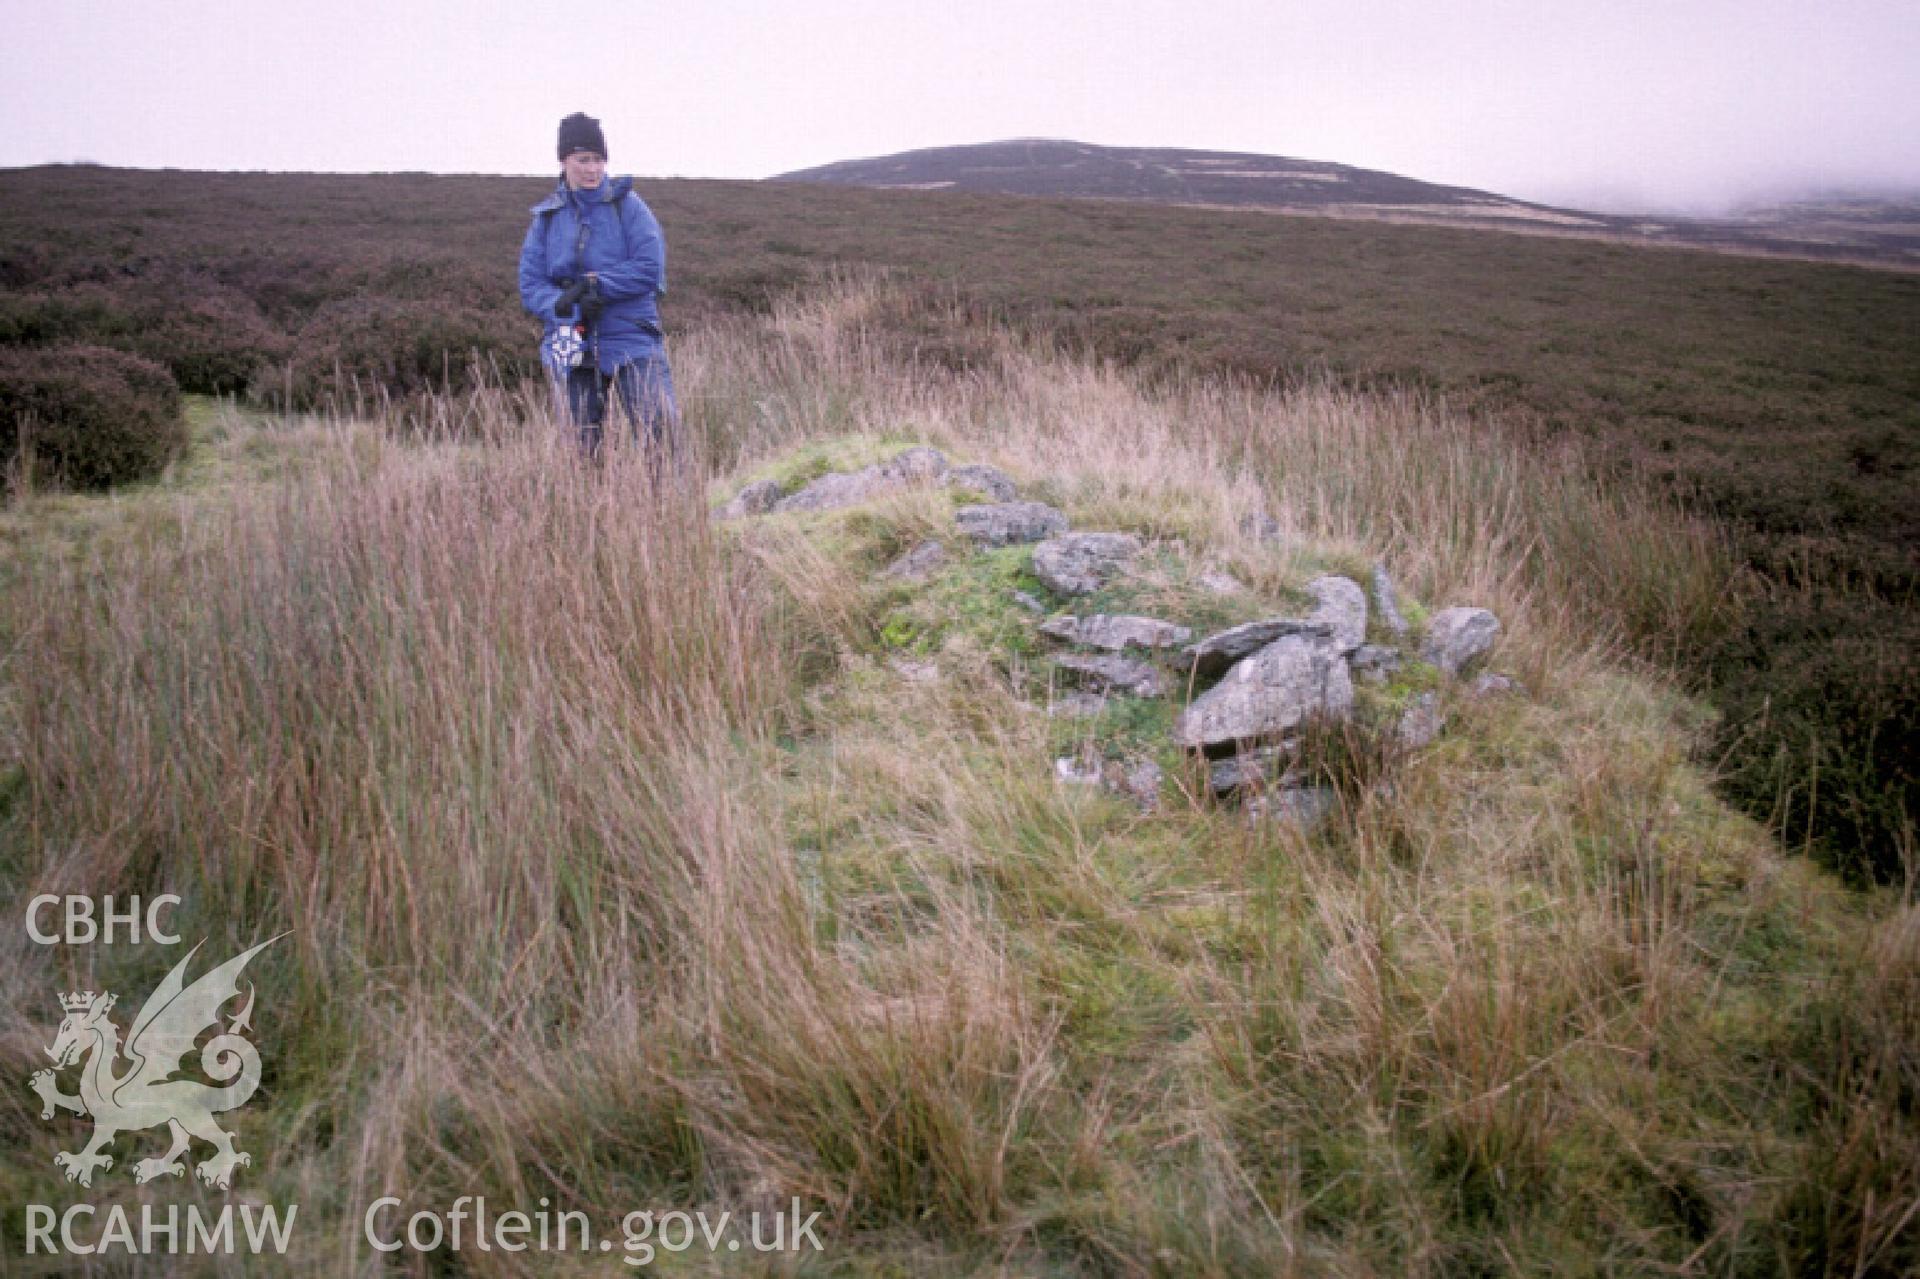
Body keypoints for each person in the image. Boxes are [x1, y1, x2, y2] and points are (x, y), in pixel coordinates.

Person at [519, 112, 678, 463]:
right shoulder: (546, 219)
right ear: (564, 161)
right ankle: (597, 516)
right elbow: (530, 285)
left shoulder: (630, 207)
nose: (592, 169)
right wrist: (567, 304)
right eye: (583, 160)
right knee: (581, 451)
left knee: (660, 436)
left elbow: (649, 268)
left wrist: (596, 286)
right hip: (569, 342)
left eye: (598, 160)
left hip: (632, 336)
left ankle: (672, 513)